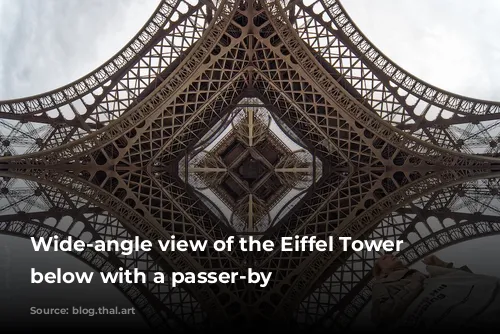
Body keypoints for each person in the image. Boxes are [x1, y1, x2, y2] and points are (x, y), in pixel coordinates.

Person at [371, 253, 473, 328]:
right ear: (382, 272)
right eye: (385, 258)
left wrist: (443, 265)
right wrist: (416, 282)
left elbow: (470, 282)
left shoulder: (420, 275)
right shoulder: (380, 284)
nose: (391, 255)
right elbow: (382, 315)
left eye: (390, 254)